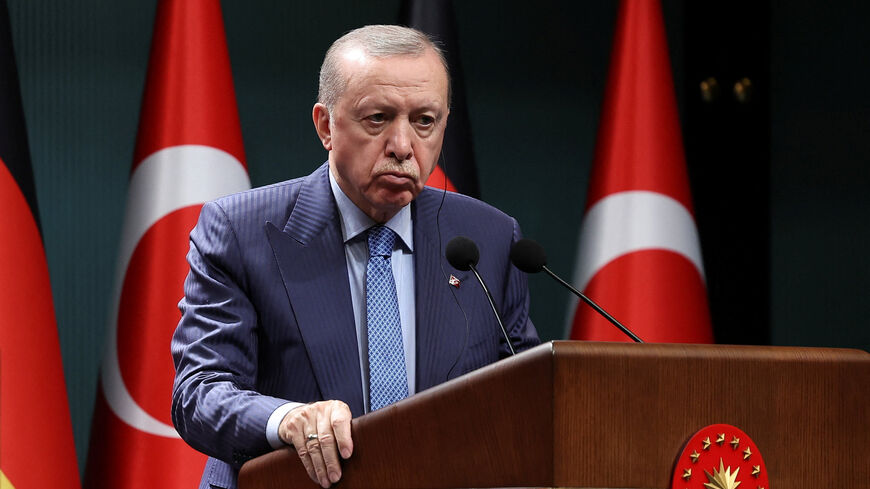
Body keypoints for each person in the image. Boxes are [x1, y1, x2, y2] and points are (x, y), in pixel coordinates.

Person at [171, 25, 539, 489]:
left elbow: (526, 397)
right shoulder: (241, 232)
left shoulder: (489, 238)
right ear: (326, 125)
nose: (403, 147)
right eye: (378, 118)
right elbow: (199, 393)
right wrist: (288, 419)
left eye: (425, 121)